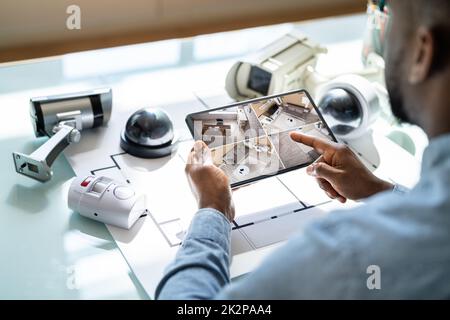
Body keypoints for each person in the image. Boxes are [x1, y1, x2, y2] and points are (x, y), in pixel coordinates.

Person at [156, 0, 450, 299]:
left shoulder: (343, 252)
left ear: (422, 54)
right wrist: (381, 192)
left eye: (391, 21)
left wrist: (213, 209)